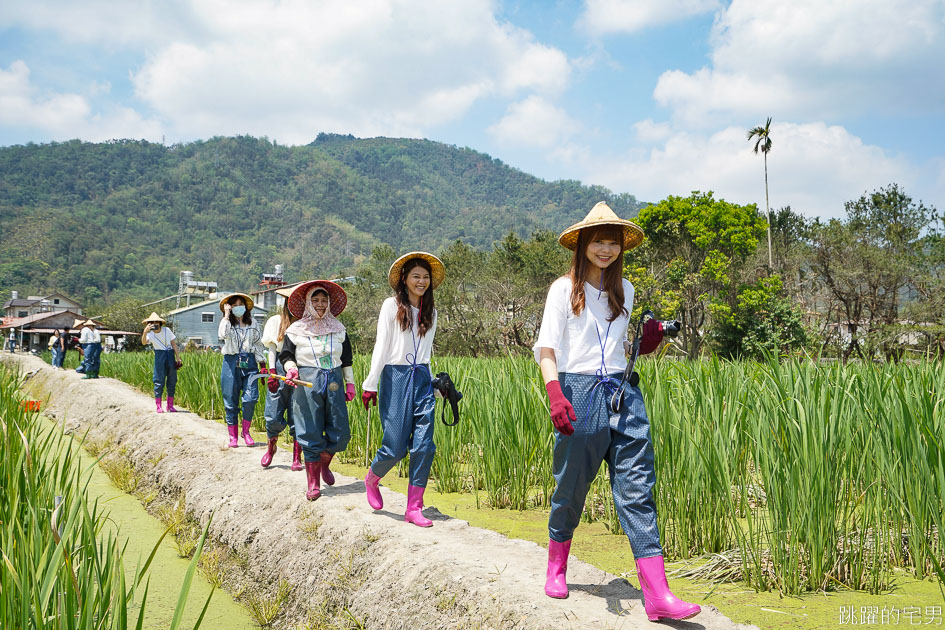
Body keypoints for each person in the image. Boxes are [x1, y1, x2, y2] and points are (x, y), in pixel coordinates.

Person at [532, 202, 700, 621]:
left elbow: (623, 349)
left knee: (638, 489)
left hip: (624, 394)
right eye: (598, 241)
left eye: (613, 242)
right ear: (583, 244)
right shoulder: (561, 289)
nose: (605, 249)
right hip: (578, 392)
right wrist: (556, 392)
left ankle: (658, 595)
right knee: (571, 486)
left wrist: (646, 343)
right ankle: (557, 566)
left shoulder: (626, 291)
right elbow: (547, 350)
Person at [361, 252, 444, 527]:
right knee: (395, 445)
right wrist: (370, 384)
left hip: (421, 377)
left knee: (424, 444)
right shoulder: (390, 306)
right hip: (395, 376)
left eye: (425, 277)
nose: (421, 281)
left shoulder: (431, 311)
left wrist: (433, 384)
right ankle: (373, 477)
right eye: (416, 276)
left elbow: (427, 352)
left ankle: (414, 507)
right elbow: (381, 345)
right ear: (405, 279)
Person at [278, 280, 356, 500]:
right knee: (309, 428)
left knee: (341, 432)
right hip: (307, 381)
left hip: (333, 380)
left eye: (324, 300)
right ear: (308, 303)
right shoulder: (296, 330)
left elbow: (347, 358)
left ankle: (324, 461)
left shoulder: (339, 329)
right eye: (316, 300)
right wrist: (291, 370)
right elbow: (285, 355)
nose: (320, 304)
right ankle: (313, 483)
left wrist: (349, 383)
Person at [259, 286, 303, 471]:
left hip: (300, 367)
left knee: (298, 412)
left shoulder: (305, 323)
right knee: (273, 411)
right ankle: (271, 446)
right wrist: (271, 372)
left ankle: (296, 457)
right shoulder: (276, 321)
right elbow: (271, 349)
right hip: (278, 366)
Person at [219, 294, 266, 447]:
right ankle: (232, 436)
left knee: (251, 398)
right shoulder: (226, 323)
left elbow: (259, 345)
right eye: (234, 305)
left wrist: (263, 364)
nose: (238, 307)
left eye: (241, 304)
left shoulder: (253, 324)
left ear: (246, 307)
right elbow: (222, 335)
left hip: (250, 363)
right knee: (230, 399)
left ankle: (245, 431)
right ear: (229, 307)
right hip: (231, 363)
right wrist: (226, 315)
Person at [141, 312, 182, 413]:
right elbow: (143, 342)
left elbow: (173, 344)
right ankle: (158, 406)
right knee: (158, 380)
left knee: (172, 380)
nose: (155, 324)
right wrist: (145, 332)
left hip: (170, 355)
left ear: (160, 323)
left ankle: (170, 405)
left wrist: (178, 357)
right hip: (159, 356)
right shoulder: (150, 334)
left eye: (156, 322)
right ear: (149, 324)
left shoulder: (167, 330)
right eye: (152, 323)